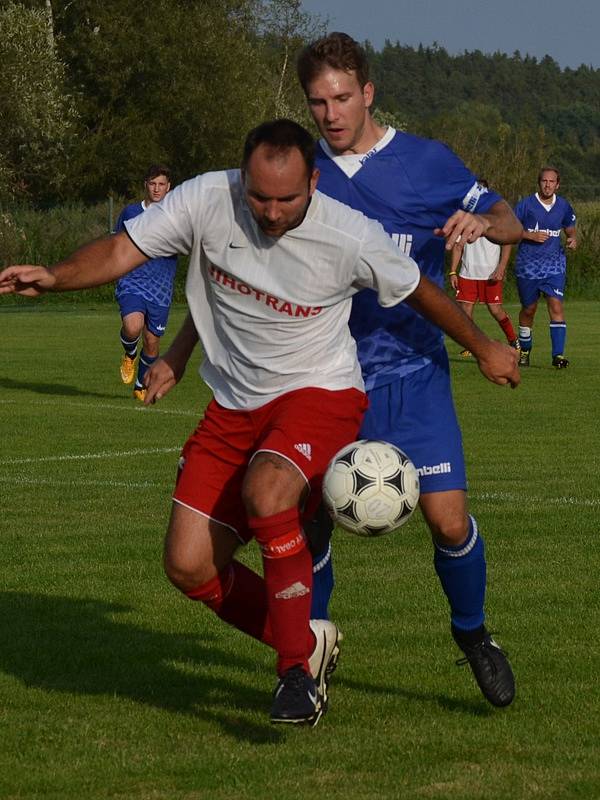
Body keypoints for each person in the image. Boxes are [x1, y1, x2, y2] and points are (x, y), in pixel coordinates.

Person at [0, 119, 519, 726]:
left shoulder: (347, 233)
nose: (271, 212)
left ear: (313, 182)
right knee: (188, 565)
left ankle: (296, 672)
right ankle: (305, 639)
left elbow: (418, 291)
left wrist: (483, 346)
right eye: (260, 196)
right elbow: (122, 249)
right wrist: (57, 276)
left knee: (269, 491)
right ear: (242, 178)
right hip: (234, 406)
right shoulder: (205, 199)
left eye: (287, 199)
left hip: (320, 393)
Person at [296, 33, 523, 708]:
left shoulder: (425, 162)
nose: (331, 113)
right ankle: (309, 651)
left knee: (449, 521)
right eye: (317, 101)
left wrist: (485, 226)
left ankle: (474, 636)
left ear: (368, 93)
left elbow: (508, 216)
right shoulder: (300, 169)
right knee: (308, 519)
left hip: (413, 371)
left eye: (342, 97)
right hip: (326, 373)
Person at [115, 165, 178, 401]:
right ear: (145, 185)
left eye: (161, 184)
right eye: (152, 184)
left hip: (161, 289)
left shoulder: (176, 216)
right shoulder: (130, 212)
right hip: (132, 281)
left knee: (152, 342)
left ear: (168, 187)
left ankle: (140, 385)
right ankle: (129, 354)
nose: (157, 189)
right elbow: (116, 245)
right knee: (132, 327)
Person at [513, 167, 577, 368]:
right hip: (528, 266)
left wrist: (572, 238)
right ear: (539, 183)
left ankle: (558, 355)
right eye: (544, 181)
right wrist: (528, 235)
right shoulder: (525, 205)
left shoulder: (564, 206)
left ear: (558, 184)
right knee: (529, 309)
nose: (548, 185)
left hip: (554, 265)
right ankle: (525, 349)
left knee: (556, 305)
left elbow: (569, 227)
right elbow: (510, 230)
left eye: (552, 181)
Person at [448, 180, 519, 358]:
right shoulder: (464, 217)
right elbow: (458, 246)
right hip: (467, 272)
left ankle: (513, 340)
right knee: (466, 311)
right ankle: (471, 345)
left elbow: (508, 241)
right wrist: (453, 271)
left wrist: (501, 267)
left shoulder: (495, 217)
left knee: (495, 310)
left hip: (490, 273)